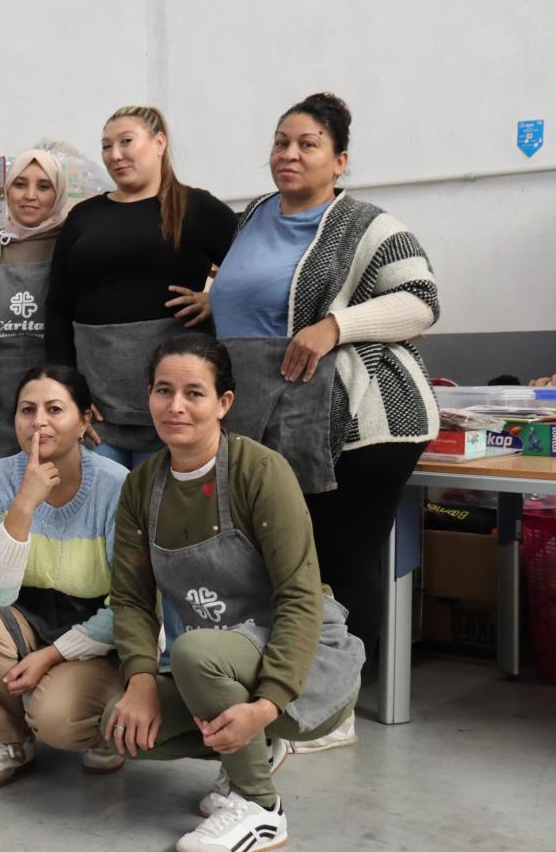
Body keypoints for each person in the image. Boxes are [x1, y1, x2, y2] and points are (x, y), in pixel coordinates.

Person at [209, 95, 438, 748]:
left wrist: (337, 326)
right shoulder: (254, 214)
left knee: (339, 560)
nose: (289, 154)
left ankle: (335, 711)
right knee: (287, 560)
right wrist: (211, 299)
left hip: (364, 420)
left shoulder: (367, 224)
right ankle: (297, 687)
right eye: (281, 141)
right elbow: (250, 295)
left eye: (308, 144)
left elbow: (421, 301)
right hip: (275, 415)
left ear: (339, 160)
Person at [102, 335, 363, 852]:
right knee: (122, 728)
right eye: (163, 390)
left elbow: (300, 598)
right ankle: (254, 752)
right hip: (222, 665)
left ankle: (261, 807)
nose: (176, 406)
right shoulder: (141, 486)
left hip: (305, 662)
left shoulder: (260, 472)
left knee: (196, 651)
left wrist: (266, 707)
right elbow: (130, 599)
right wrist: (138, 679)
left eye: (194, 393)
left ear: (223, 403)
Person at [0, 364, 130, 786]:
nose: (39, 422)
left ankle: (101, 722)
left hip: (99, 634)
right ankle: (10, 740)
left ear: (85, 420)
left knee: (60, 722)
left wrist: (51, 656)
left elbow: (128, 604)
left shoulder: (116, 485)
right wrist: (24, 507)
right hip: (23, 617)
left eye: (55, 409)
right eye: (27, 410)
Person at [45, 105, 236, 469]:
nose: (114, 155)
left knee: (165, 516)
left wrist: (217, 299)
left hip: (174, 412)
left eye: (126, 142)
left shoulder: (196, 207)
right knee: (106, 517)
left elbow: (256, 274)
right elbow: (57, 307)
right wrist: (68, 392)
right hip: (99, 412)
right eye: (106, 146)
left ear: (159, 142)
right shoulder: (83, 216)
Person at [0, 149, 71, 466]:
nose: (30, 196)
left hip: (59, 415)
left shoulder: (73, 247)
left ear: (58, 193)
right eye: (20, 184)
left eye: (44, 186)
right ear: (7, 190)